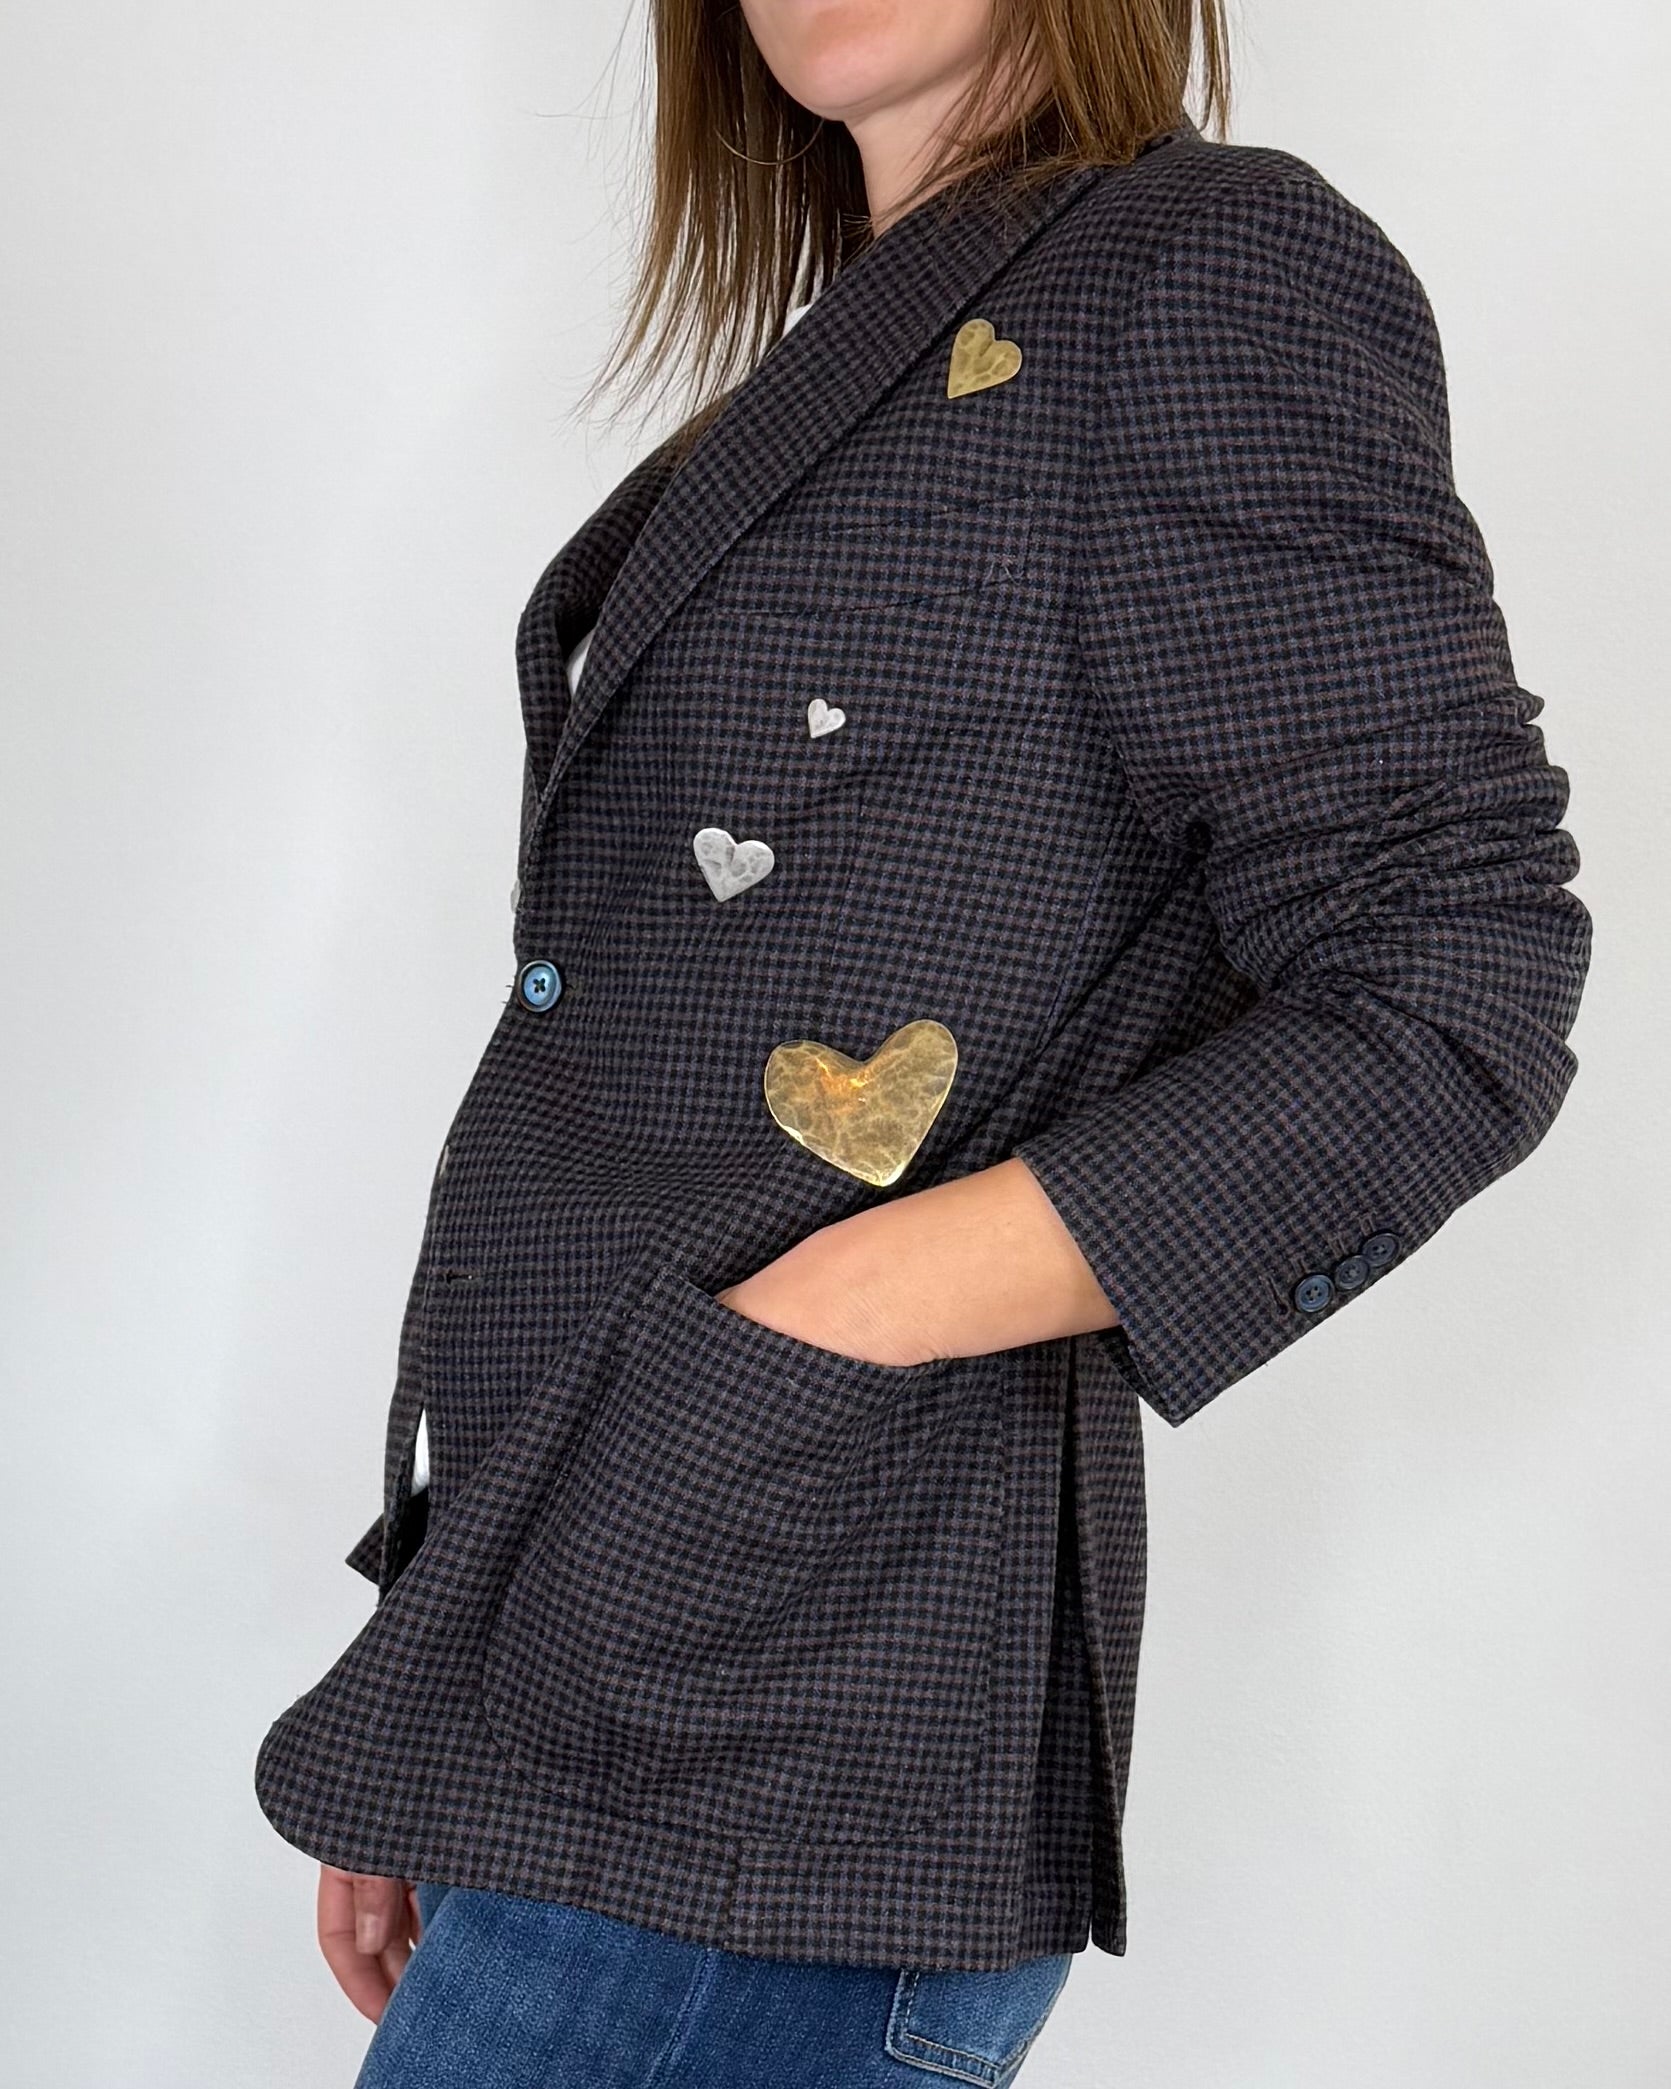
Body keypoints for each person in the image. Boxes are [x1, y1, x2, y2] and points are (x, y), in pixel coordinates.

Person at [256, 0, 1592, 2080]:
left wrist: (832, 1319)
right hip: (613, 1685)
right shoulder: (866, 345)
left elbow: (1452, 973)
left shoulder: (1205, 271)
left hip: (799, 1708)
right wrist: (457, 1671)